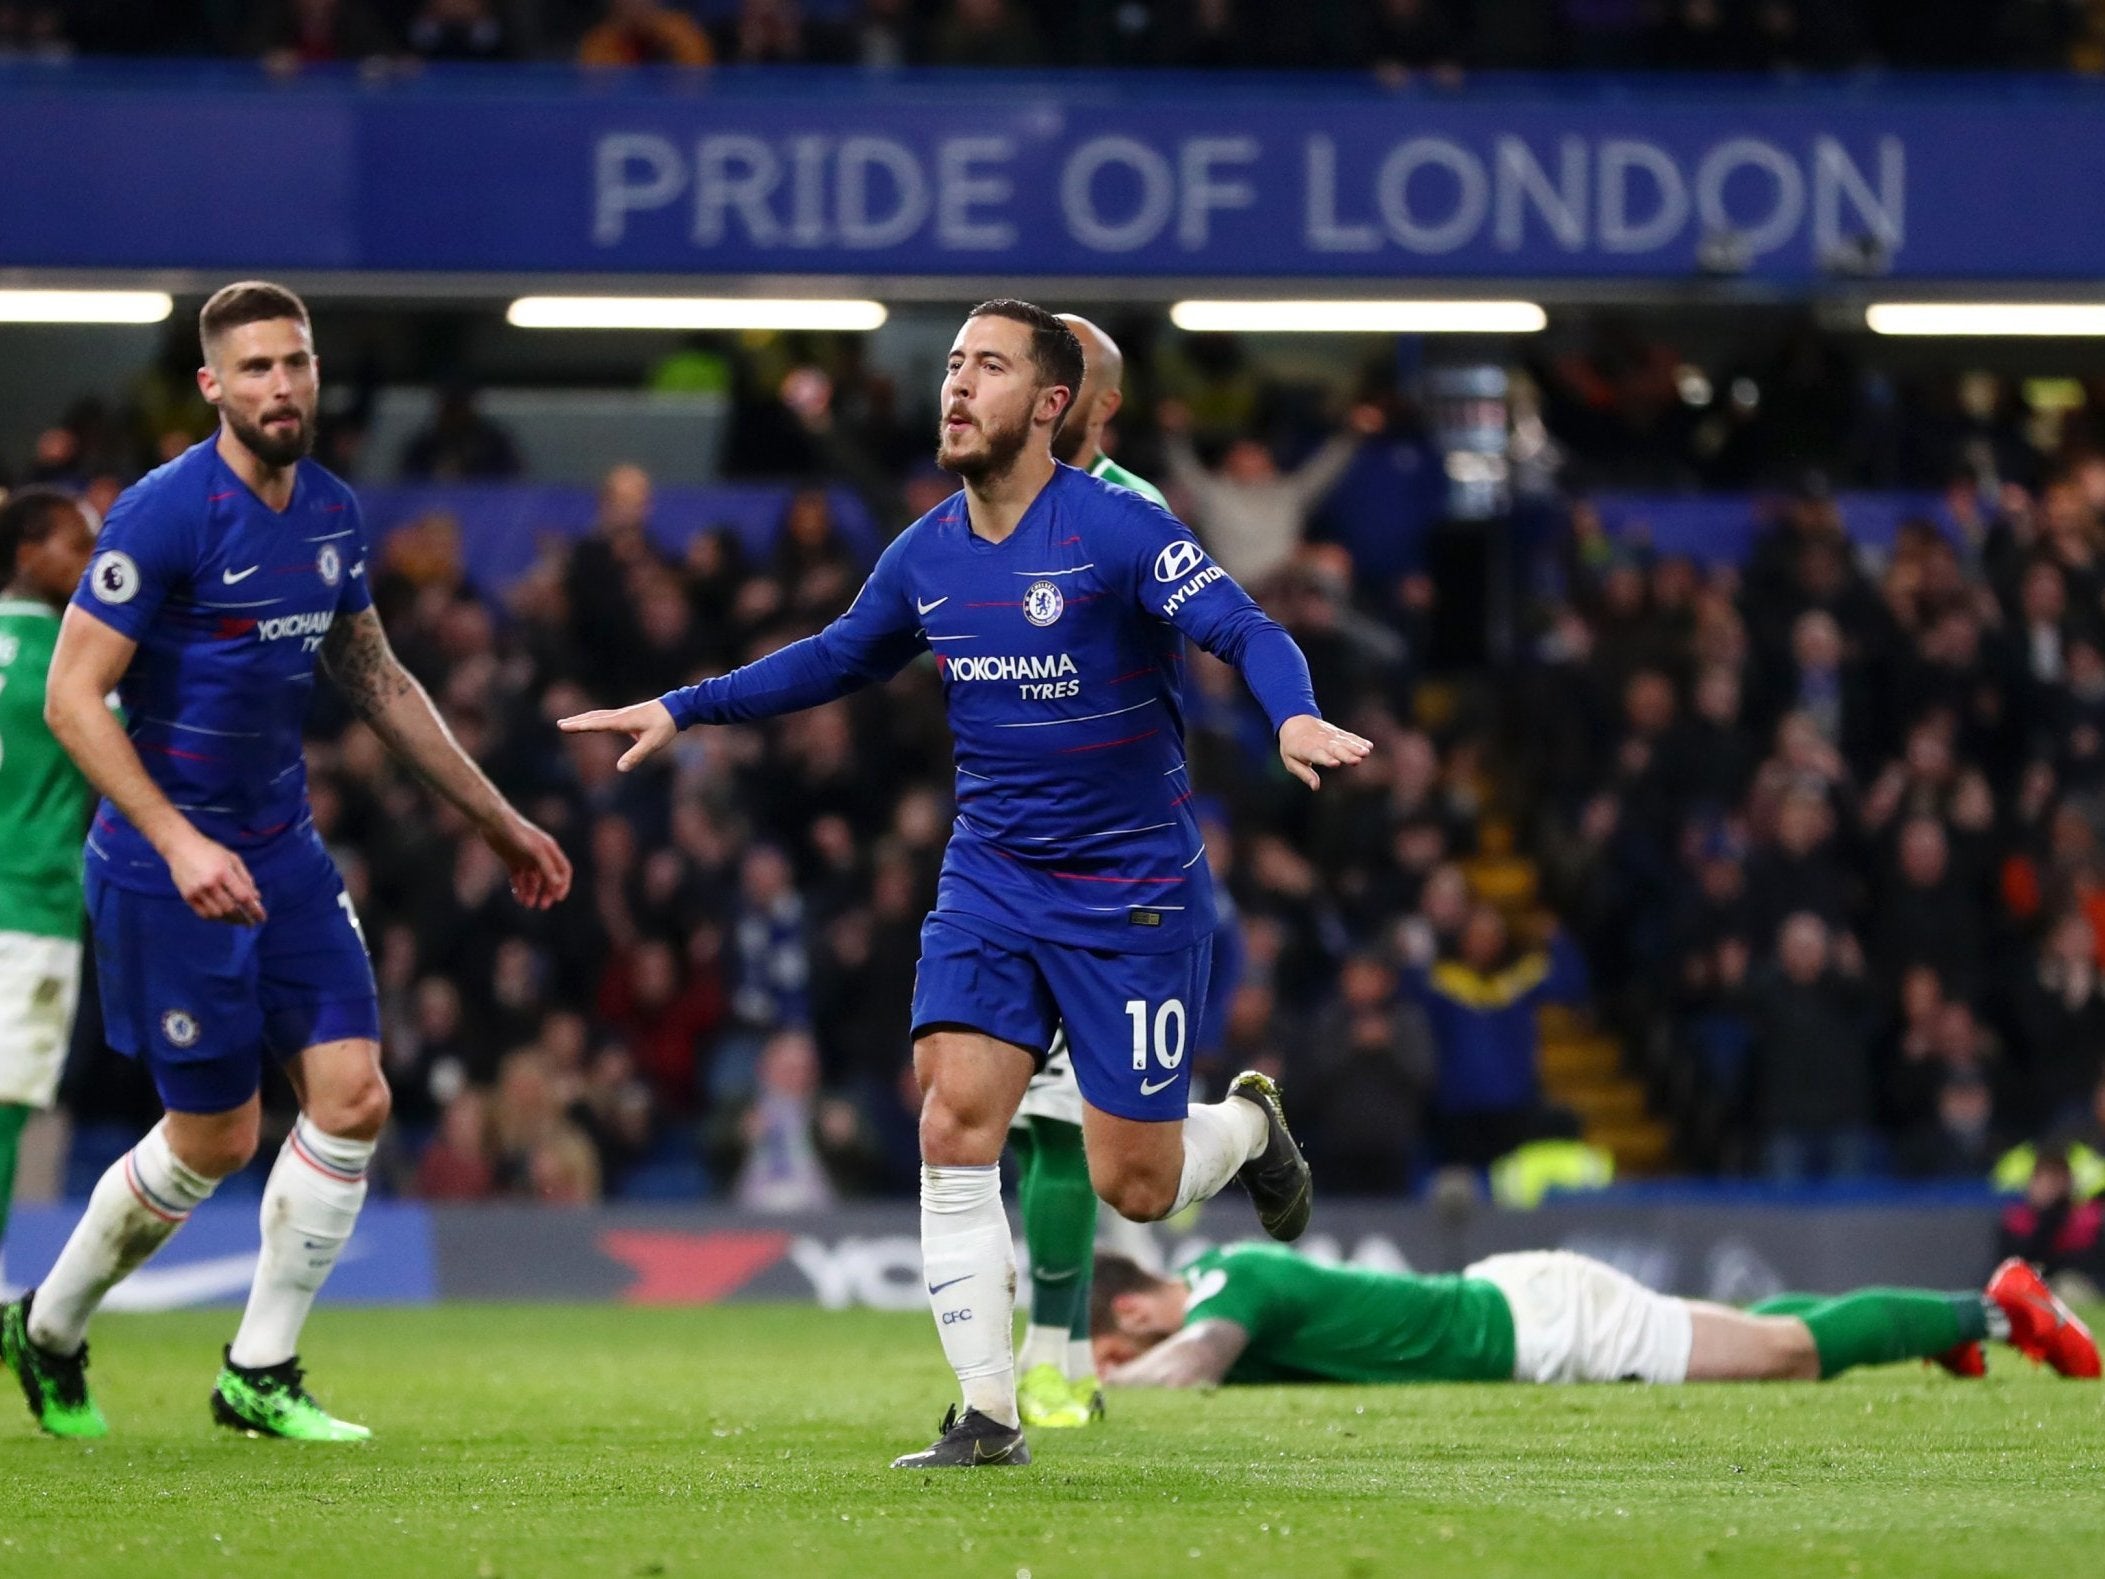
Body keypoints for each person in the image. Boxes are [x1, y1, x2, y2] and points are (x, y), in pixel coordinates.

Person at [560, 299, 1372, 1469]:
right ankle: (986, 1412)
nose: (954, 386)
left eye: (986, 367)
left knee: (1134, 1186)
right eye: (950, 365)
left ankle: (1246, 1126)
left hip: (1129, 892)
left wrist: (1292, 713)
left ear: (1050, 405)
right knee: (951, 1118)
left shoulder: (1120, 528)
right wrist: (682, 706)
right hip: (990, 879)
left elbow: (1242, 626)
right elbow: (837, 655)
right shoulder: (927, 548)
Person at [0, 282, 572, 1443]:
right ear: (212, 386)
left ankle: (259, 1370)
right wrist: (178, 838)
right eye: (254, 368)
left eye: (295, 364)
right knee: (216, 1137)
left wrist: (495, 818)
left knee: (354, 1096)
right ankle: (48, 1326)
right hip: (165, 865)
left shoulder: (332, 513)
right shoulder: (164, 513)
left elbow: (378, 681)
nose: (280, 386)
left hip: (284, 852)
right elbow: (72, 697)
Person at [1090, 1246, 2100, 1389]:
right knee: (1748, 1329)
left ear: (1135, 1307)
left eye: (1108, 1343)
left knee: (1784, 1354)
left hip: (1538, 1328)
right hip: (1518, 1307)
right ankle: (1940, 1326)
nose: (1115, 1359)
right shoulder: (1224, 1275)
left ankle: (1999, 1306)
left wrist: (1092, 1389)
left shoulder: (1230, 1284)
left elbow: (1194, 1366)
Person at [0, 488, 98, 1275]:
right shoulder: (68, 664)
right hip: (28, 907)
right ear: (27, 553)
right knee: (5, 1108)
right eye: (75, 544)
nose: (92, 561)